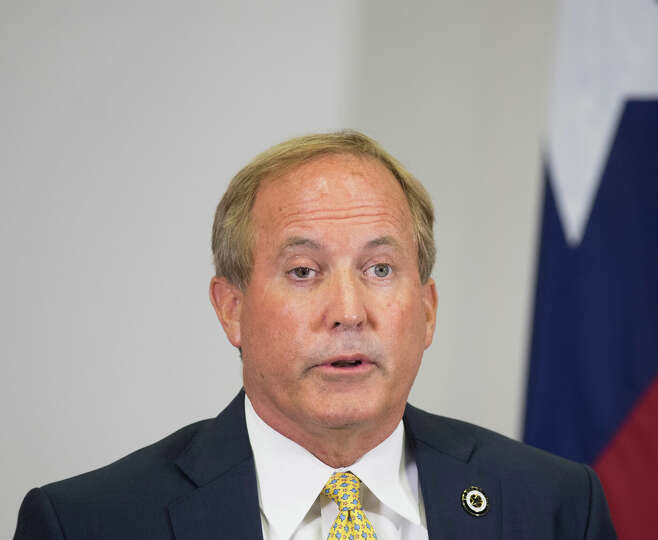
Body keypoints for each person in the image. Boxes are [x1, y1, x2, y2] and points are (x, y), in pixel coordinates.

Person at [14, 131, 616, 539]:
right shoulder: (89, 523)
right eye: (304, 271)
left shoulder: (555, 506)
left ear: (427, 309)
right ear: (232, 309)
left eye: (380, 270)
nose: (348, 311)